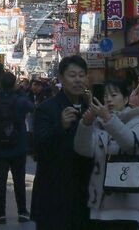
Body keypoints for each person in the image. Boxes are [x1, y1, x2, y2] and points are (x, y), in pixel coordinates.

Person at [74, 80, 139, 230]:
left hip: (126, 204)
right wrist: (86, 125)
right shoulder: (97, 124)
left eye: (114, 95)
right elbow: (84, 150)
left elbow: (130, 144)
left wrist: (108, 119)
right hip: (99, 204)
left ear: (126, 99)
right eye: (106, 96)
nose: (108, 99)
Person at [30, 55, 93, 230]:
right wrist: (61, 126)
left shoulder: (91, 108)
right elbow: (39, 148)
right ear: (61, 78)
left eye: (81, 75)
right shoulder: (47, 108)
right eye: (72, 75)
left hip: (85, 191)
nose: (78, 80)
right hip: (54, 192)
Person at [0, 71, 34, 225]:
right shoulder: (21, 100)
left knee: (0, 181)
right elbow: (32, 107)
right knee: (19, 180)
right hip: (18, 146)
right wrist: (20, 91)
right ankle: (22, 212)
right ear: (15, 84)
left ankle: (1, 214)